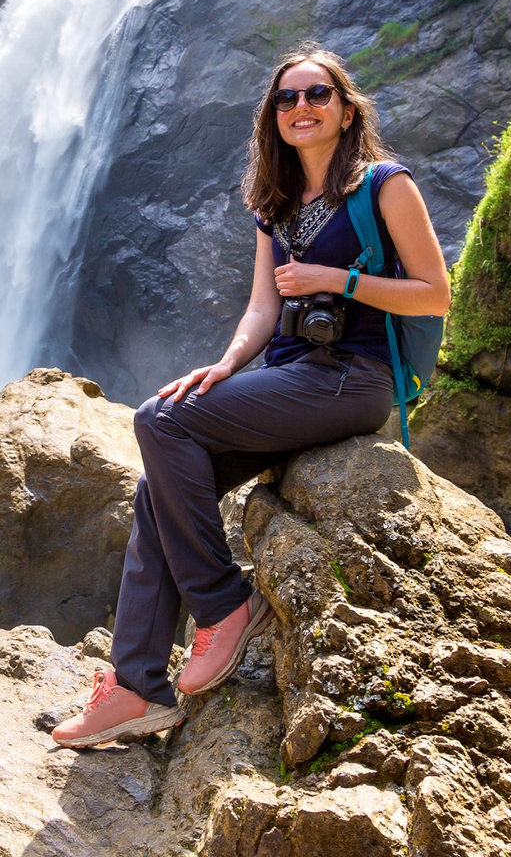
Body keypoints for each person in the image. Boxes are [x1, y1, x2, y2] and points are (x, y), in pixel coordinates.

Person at [51, 45, 451, 748]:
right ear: (272, 116)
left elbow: (433, 293)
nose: (301, 106)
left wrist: (341, 282)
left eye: (317, 94)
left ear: (347, 107)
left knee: (158, 424)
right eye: (285, 98)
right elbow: (263, 311)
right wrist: (226, 366)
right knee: (160, 489)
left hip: (353, 379)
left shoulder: (385, 186)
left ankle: (225, 605)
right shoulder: (275, 206)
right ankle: (137, 688)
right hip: (292, 378)